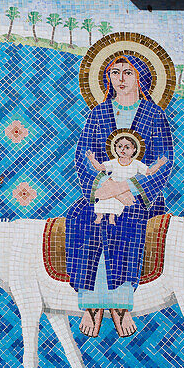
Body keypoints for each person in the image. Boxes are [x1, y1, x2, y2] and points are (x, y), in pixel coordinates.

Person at [66, 54, 174, 339]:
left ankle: (121, 302)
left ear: (141, 78)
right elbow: (83, 155)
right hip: (102, 191)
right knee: (80, 218)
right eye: (115, 73)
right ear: (107, 78)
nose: (121, 79)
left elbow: (164, 159)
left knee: (127, 223)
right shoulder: (98, 114)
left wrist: (132, 188)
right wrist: (102, 186)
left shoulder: (154, 115)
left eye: (128, 72)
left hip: (138, 195)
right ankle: (91, 304)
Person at [86, 131, 168, 225]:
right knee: (104, 198)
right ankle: (99, 216)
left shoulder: (136, 164)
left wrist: (159, 164)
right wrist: (92, 160)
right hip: (112, 185)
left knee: (116, 200)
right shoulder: (114, 162)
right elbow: (100, 167)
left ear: (134, 150)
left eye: (127, 147)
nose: (123, 149)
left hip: (126, 186)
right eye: (120, 146)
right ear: (115, 148)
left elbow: (148, 171)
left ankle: (112, 217)